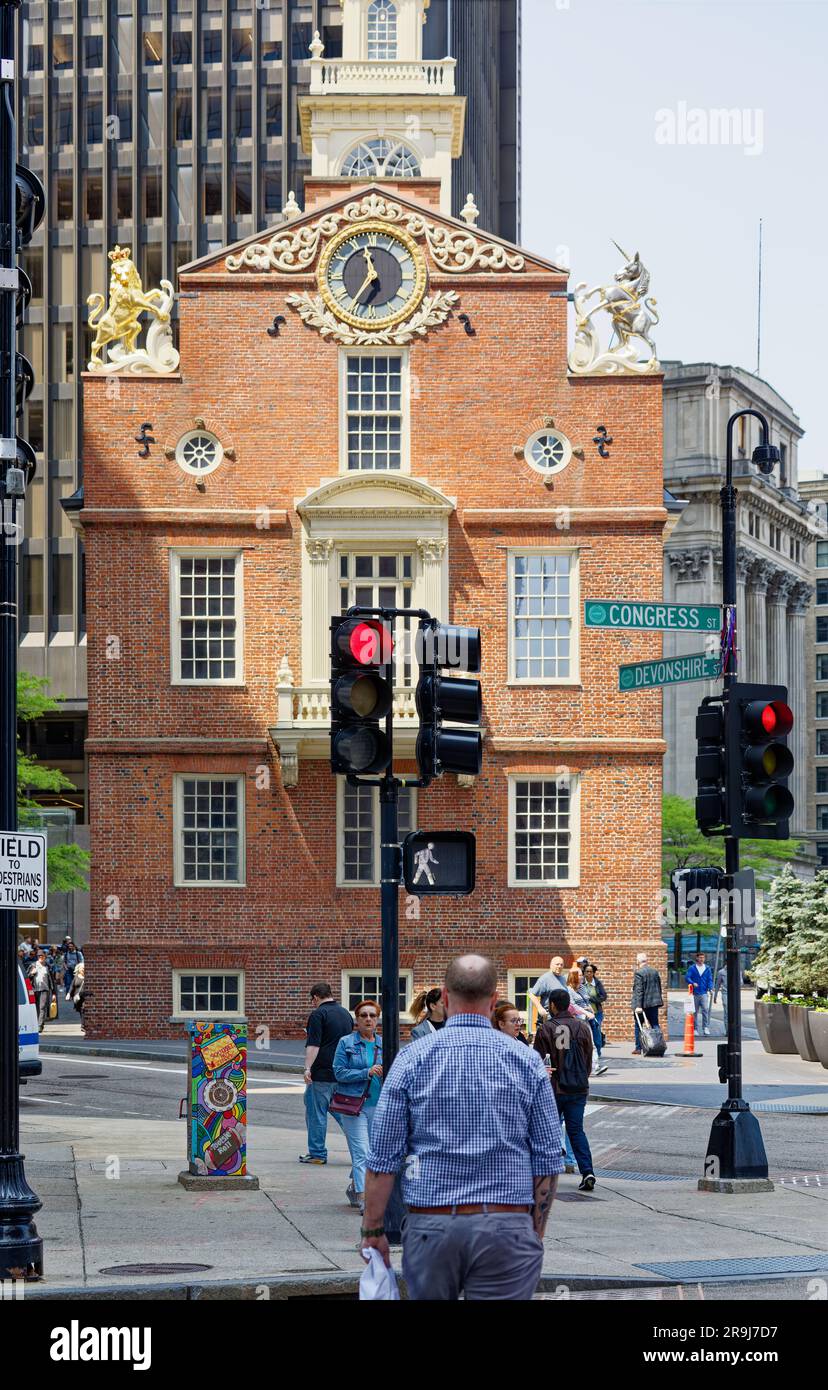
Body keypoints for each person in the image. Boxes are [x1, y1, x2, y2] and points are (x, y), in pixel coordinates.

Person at [361, 954, 563, 1301]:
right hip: (506, 1222)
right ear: (494, 998)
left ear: (445, 995)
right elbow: (547, 1158)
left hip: (431, 1225)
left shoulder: (412, 1058)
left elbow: (382, 1158)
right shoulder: (526, 1060)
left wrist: (373, 1228)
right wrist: (534, 1231)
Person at [534, 989, 596, 1192]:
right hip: (578, 1088)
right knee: (576, 1130)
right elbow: (588, 1059)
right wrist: (581, 1078)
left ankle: (545, 1174)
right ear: (569, 1004)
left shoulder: (546, 1029)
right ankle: (587, 1171)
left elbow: (537, 1061)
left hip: (554, 1089)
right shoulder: (582, 1027)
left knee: (548, 1131)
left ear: (552, 1005)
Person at [332, 1000, 383, 1214]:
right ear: (357, 1019)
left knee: (375, 1153)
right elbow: (339, 1072)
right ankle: (365, 1199)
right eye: (364, 1015)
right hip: (354, 1105)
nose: (368, 1019)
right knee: (361, 1152)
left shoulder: (383, 1044)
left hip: (379, 1105)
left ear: (378, 1019)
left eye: (372, 1015)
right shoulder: (346, 1043)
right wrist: (366, 1072)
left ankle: (355, 1187)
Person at [299, 982, 353, 1165]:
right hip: (342, 1072)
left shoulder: (318, 1014)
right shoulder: (345, 1014)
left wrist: (307, 1068)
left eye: (312, 1000)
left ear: (315, 997)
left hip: (322, 1072)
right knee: (343, 1113)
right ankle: (361, 1148)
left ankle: (317, 1154)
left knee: (316, 1113)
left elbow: (314, 1044)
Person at [631, 952, 663, 1055]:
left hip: (643, 1004)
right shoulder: (654, 971)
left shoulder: (639, 973)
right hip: (654, 1003)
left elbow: (639, 990)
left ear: (638, 961)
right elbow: (659, 986)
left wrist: (638, 1006)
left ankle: (638, 1047)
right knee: (655, 1024)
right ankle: (658, 1046)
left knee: (638, 1026)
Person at [582, 961, 608, 1074]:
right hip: (584, 1014)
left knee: (596, 1034)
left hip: (597, 1013)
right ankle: (588, 1058)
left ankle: (597, 1053)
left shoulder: (597, 983)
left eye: (591, 972)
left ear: (594, 973)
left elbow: (603, 996)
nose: (589, 974)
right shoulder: (581, 983)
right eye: (587, 972)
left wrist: (591, 999)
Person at [528, 956, 569, 1022]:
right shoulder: (545, 978)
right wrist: (540, 1008)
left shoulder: (563, 979)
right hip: (549, 1018)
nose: (559, 966)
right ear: (551, 965)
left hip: (562, 1017)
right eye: (557, 964)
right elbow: (532, 994)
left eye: (561, 965)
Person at [686, 953, 713, 1036]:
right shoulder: (692, 968)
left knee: (705, 1010)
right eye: (700, 957)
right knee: (695, 1012)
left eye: (703, 958)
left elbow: (709, 979)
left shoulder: (707, 968)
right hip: (695, 993)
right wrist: (692, 982)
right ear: (697, 958)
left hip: (704, 992)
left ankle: (705, 1027)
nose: (702, 959)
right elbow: (687, 977)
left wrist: (710, 988)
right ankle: (695, 1029)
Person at [28, 950, 51, 1032]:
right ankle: (39, 1023)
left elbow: (51, 979)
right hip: (35, 990)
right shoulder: (33, 965)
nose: (40, 957)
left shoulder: (47, 966)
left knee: (42, 1007)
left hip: (44, 989)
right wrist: (32, 973)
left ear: (45, 957)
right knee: (36, 1007)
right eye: (39, 956)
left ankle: (39, 1026)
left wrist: (54, 993)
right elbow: (27, 977)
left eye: (42, 956)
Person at [70, 961, 86, 1031]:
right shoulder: (76, 977)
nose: (83, 969)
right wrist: (69, 994)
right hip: (78, 998)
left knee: (83, 1009)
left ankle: (83, 1025)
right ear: (79, 969)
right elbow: (72, 987)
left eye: (84, 968)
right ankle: (83, 1023)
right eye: (82, 968)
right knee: (81, 1011)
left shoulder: (87, 977)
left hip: (85, 997)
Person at [714, 963, 728, 1033]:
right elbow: (717, 984)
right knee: (727, 1012)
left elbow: (741, 982)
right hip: (725, 993)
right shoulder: (721, 972)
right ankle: (727, 1031)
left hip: (734, 994)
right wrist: (715, 996)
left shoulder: (737, 970)